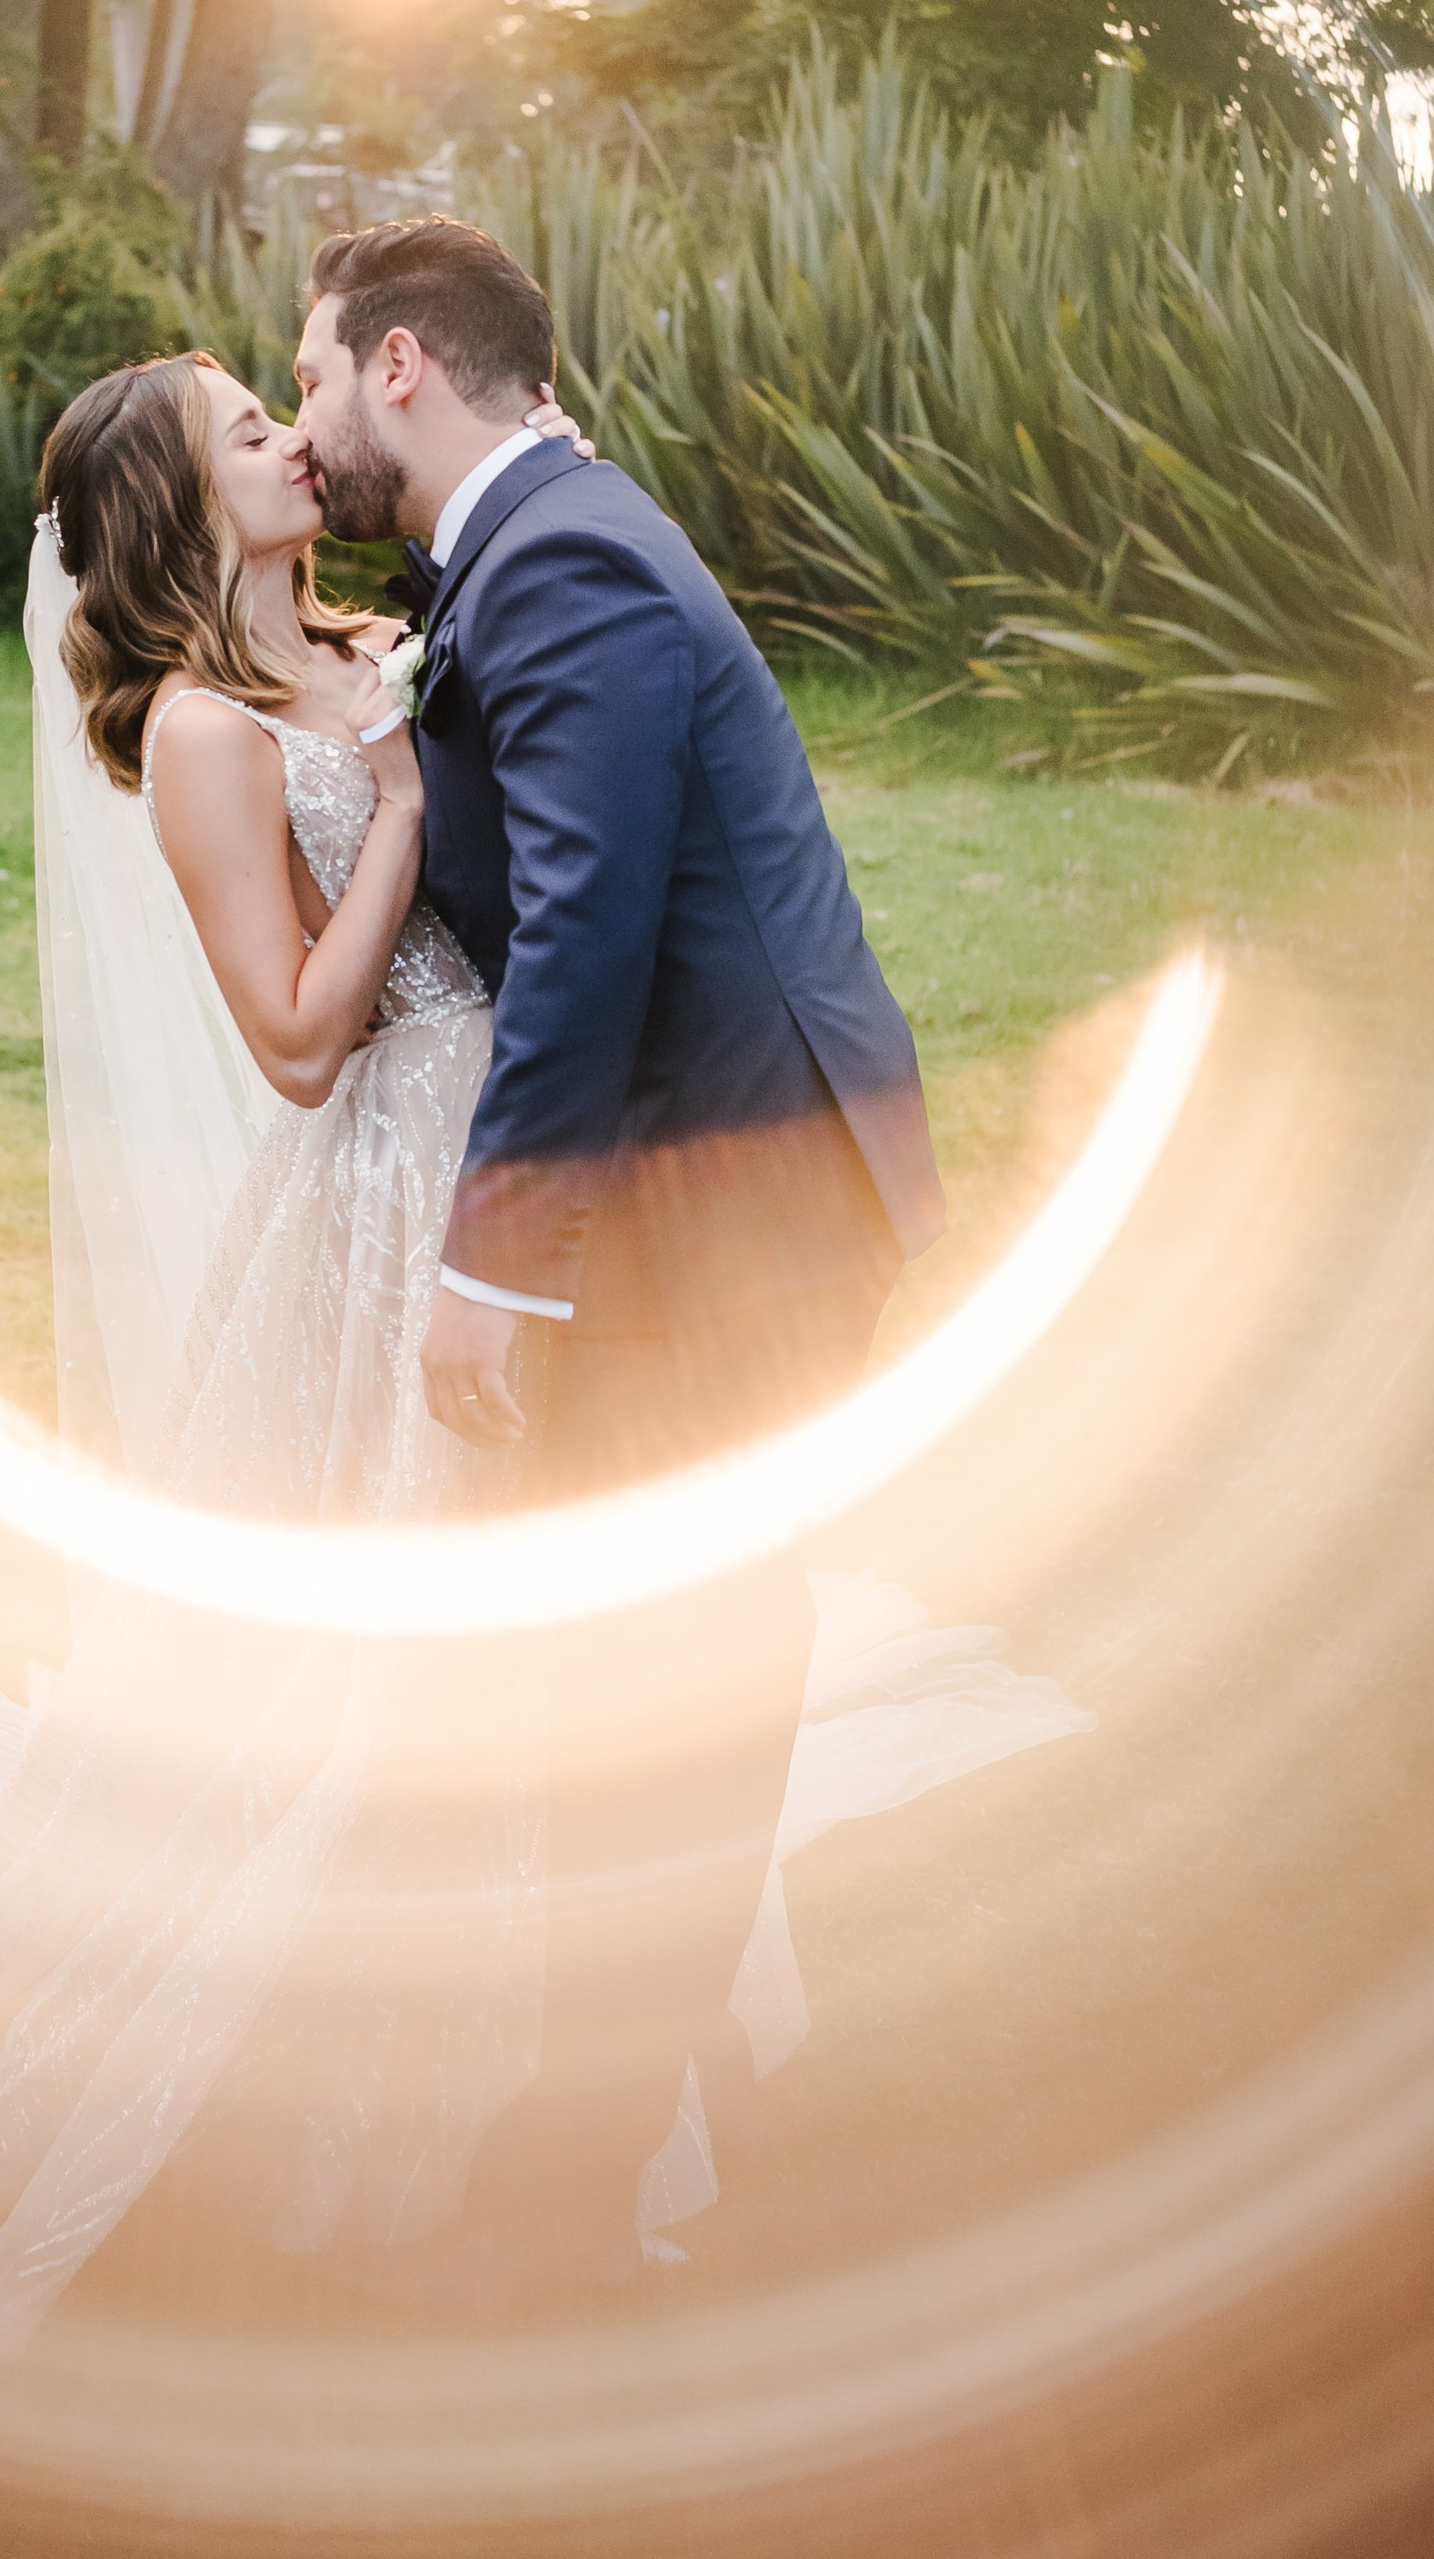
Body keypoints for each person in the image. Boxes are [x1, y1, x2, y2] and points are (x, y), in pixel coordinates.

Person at [0, 322, 1076, 2349]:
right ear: (177, 499)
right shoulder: (200, 734)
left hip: (513, 1167)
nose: (291, 438)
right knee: (370, 1676)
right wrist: (404, 799)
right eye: (252, 427)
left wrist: (420, 760)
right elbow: (299, 1037)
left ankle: (567, 2077)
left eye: (286, 399)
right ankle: (366, 2098)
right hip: (380, 1195)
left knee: (551, 1641)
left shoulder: (379, 634)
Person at [291, 219, 947, 2289]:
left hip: (733, 1212)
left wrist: (492, 1265)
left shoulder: (559, 556)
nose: (301, 423)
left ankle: (568, 2190)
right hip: (718, 1184)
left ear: (401, 362)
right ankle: (579, 2130)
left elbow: (580, 924)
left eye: (307, 376)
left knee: (674, 1682)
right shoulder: (532, 545)